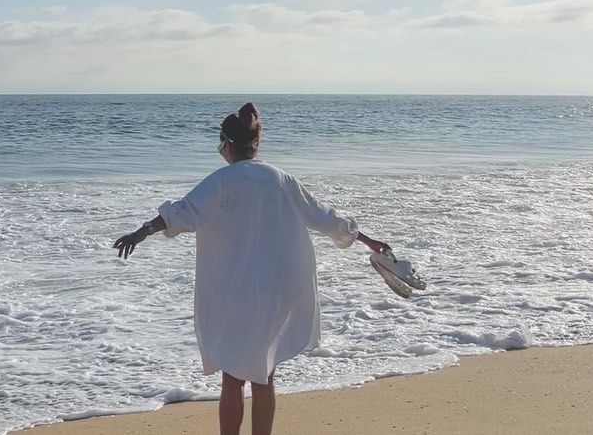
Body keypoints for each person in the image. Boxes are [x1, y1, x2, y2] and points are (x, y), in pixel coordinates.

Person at [113, 102, 391, 435]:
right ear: (255, 144)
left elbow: (181, 213)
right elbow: (325, 217)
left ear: (227, 145)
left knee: (232, 377)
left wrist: (141, 231)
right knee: (264, 373)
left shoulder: (220, 181)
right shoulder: (281, 179)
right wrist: (369, 241)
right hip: (278, 291)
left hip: (236, 293)